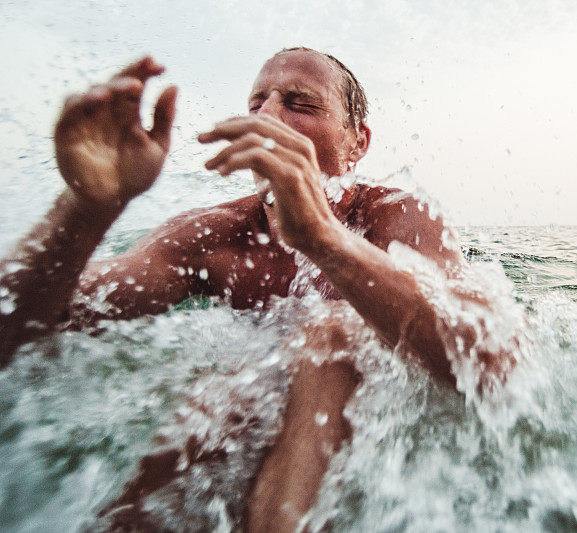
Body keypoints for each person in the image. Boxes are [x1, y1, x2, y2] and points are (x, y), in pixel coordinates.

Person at [0, 49, 512, 531]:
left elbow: (492, 361)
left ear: (358, 141)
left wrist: (323, 237)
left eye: (300, 103)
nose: (267, 115)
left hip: (381, 426)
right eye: (256, 103)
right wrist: (86, 209)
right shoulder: (214, 236)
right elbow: (19, 325)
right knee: (219, 404)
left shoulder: (396, 215)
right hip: (258, 418)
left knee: (332, 332)